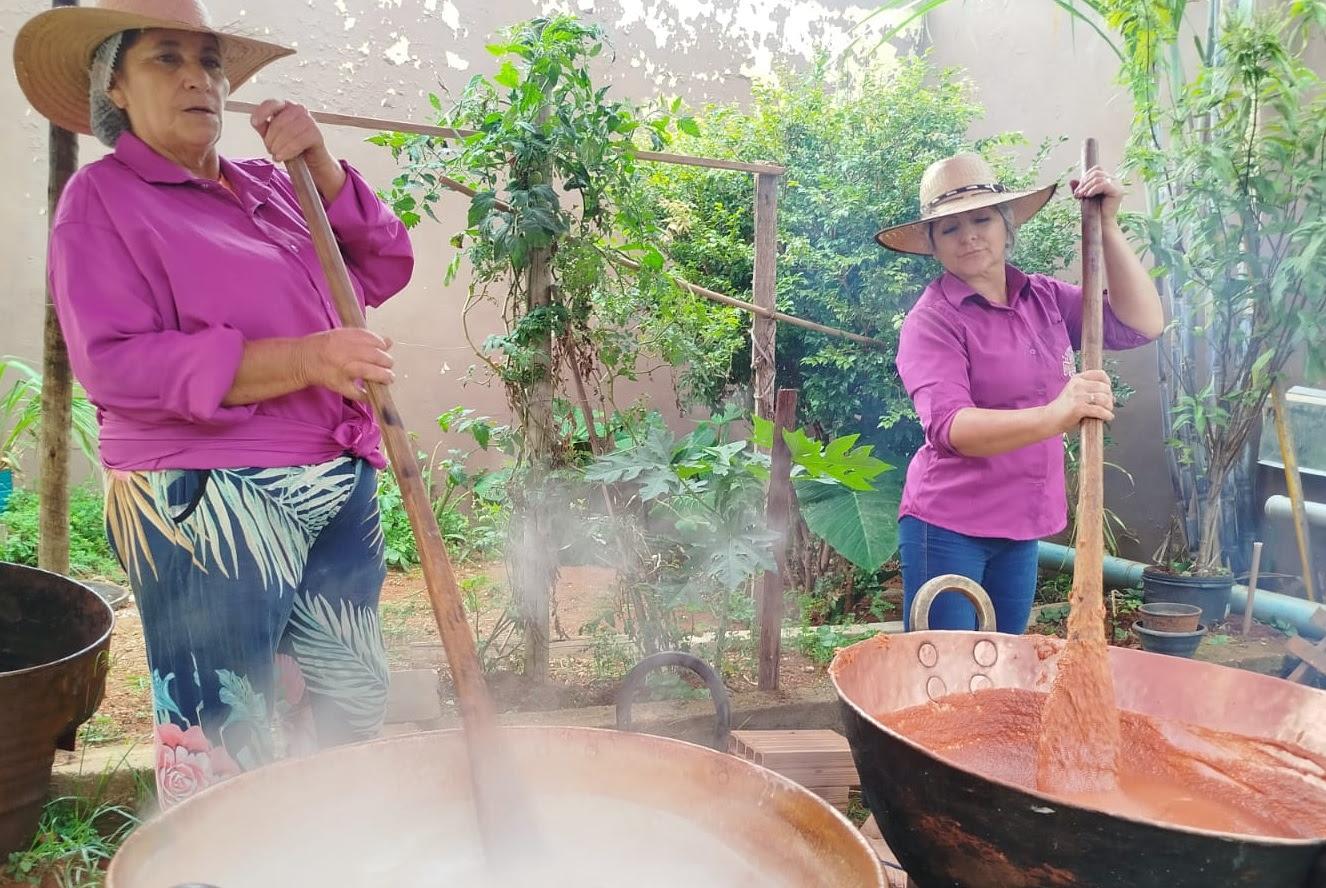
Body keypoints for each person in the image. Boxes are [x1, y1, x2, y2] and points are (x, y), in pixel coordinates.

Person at [13, 0, 414, 807]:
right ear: (114, 86)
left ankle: (314, 850)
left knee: (349, 698)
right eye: (167, 58)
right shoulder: (103, 201)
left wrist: (326, 169)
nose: (199, 77)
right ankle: (220, 862)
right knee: (228, 722)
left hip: (336, 478)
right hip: (207, 496)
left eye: (210, 60)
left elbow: (381, 266)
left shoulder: (271, 184)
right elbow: (119, 366)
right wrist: (307, 356)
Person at [877, 152, 1162, 633]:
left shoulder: (1044, 298)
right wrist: (1058, 413)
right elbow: (952, 428)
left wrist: (1108, 226)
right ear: (933, 244)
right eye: (949, 228)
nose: (968, 235)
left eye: (982, 218)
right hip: (948, 527)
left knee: (1001, 670)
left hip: (1021, 526)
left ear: (1006, 226)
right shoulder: (931, 321)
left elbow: (1142, 324)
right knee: (946, 678)